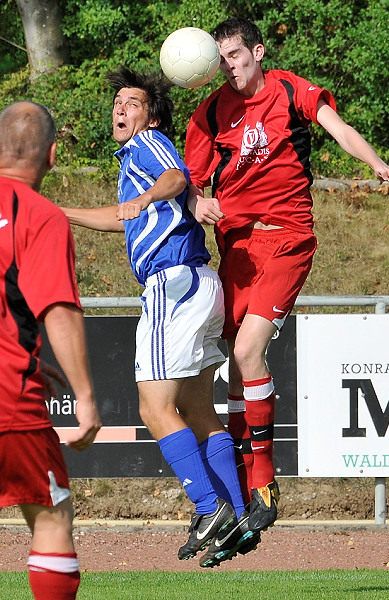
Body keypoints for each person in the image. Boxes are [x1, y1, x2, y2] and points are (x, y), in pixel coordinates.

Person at [185, 17, 389, 533]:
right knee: (235, 365)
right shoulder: (210, 111)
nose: (229, 66)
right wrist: (198, 204)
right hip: (237, 248)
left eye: (236, 55)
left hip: (287, 238)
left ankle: (263, 478)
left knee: (247, 351)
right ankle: (242, 483)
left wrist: (377, 164)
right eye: (221, 58)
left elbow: (338, 128)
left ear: (257, 52)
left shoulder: (289, 90)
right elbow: (188, 182)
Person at [61, 67, 259, 568]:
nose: (120, 108)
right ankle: (237, 513)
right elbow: (121, 216)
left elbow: (176, 178)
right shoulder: (134, 161)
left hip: (172, 284)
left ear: (150, 117)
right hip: (197, 282)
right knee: (196, 409)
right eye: (117, 102)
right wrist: (62, 213)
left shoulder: (147, 144)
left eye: (132, 102)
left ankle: (209, 507)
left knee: (153, 409)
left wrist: (148, 196)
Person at [0, 101, 102, 600]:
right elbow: (57, 308)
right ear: (53, 154)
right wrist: (85, 397)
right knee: (51, 516)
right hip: (9, 399)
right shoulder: (39, 215)